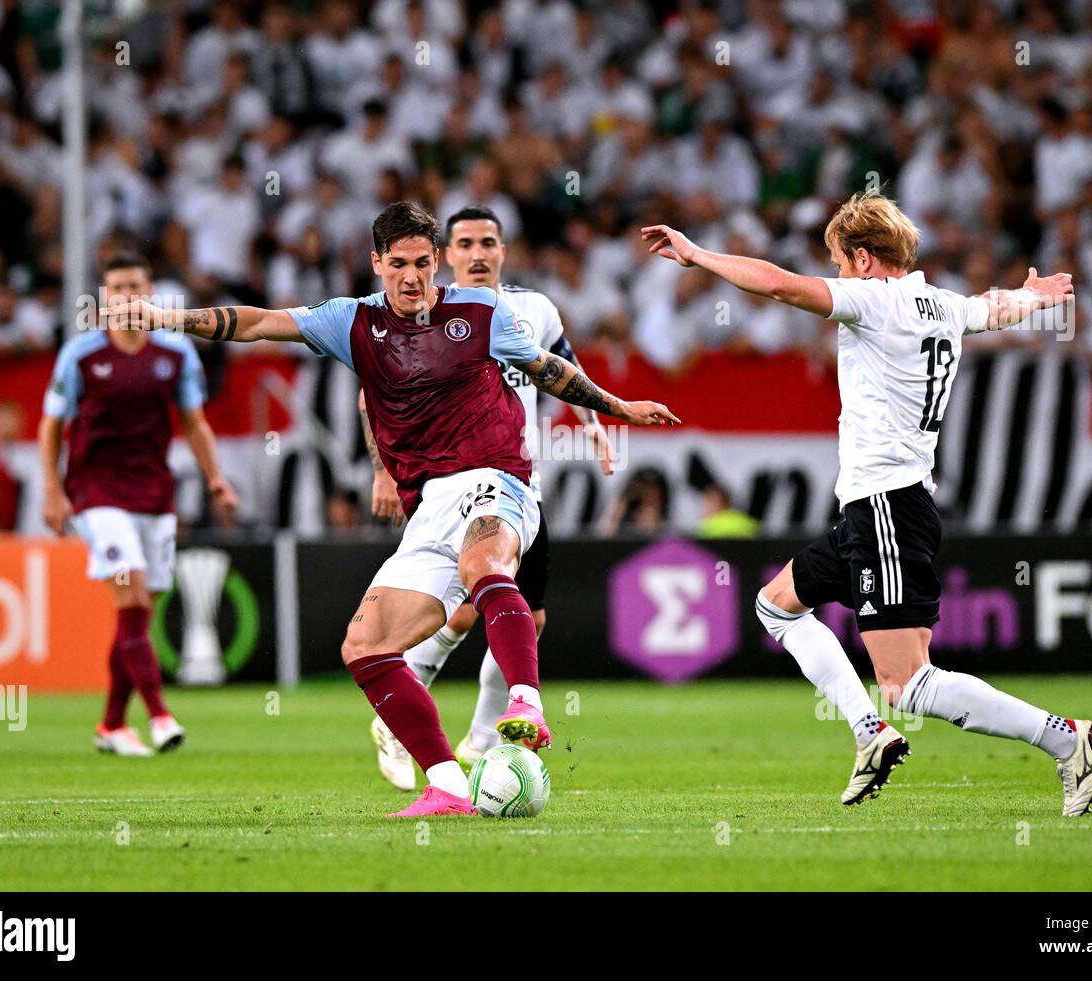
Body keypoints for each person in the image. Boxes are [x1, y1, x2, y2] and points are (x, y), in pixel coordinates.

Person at [107, 201, 678, 816]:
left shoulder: (482, 310)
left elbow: (546, 370)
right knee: (364, 646)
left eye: (423, 264)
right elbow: (255, 324)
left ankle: (524, 704)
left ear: (438, 264)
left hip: (497, 480)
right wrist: (169, 316)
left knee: (484, 567)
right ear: (377, 263)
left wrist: (617, 409)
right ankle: (449, 786)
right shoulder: (351, 321)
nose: (413, 278)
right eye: (399, 264)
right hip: (428, 504)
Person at [642, 190, 1092, 817]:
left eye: (837, 259)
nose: (834, 272)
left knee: (907, 683)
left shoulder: (874, 300)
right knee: (775, 606)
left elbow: (780, 286)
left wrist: (699, 255)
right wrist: (1034, 298)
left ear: (862, 259)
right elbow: (991, 308)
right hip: (877, 507)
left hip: (886, 506)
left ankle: (1065, 737)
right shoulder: (940, 304)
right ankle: (869, 733)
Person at [366, 205, 615, 791]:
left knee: (531, 616)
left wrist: (595, 422)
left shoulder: (534, 310)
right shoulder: (430, 311)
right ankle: (419, 716)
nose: (477, 253)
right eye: (465, 244)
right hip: (453, 480)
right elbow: (372, 393)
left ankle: (479, 739)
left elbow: (561, 367)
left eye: (488, 242)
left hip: (517, 485)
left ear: (504, 250)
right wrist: (381, 470)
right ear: (446, 255)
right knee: (469, 605)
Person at [39, 254, 239, 757]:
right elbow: (50, 425)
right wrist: (51, 489)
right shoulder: (81, 354)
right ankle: (159, 714)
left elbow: (194, 423)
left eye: (134, 286)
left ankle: (110, 725)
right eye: (116, 288)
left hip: (154, 493)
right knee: (128, 592)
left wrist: (216, 479)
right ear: (104, 299)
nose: (126, 297)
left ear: (150, 293)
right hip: (97, 491)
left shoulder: (175, 354)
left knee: (136, 614)